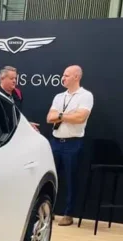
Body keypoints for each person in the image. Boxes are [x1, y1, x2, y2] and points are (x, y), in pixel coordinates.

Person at [46, 65, 94, 226]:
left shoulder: (86, 96)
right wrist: (67, 115)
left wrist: (59, 115)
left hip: (73, 143)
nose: (63, 78)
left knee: (71, 179)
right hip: (55, 142)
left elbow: (80, 118)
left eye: (66, 75)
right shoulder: (59, 96)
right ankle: (48, 210)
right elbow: (49, 118)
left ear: (76, 77)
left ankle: (68, 213)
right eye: (63, 75)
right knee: (51, 178)